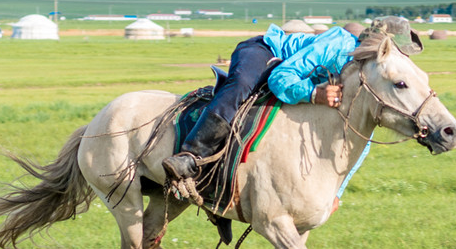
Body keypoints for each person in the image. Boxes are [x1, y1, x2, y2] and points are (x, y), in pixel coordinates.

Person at [162, 17, 420, 182]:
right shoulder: (337, 46)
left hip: (291, 73)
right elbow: (280, 77)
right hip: (266, 51)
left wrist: (337, 192)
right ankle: (191, 154)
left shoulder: (365, 79)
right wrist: (313, 94)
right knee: (240, 85)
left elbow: (359, 135)